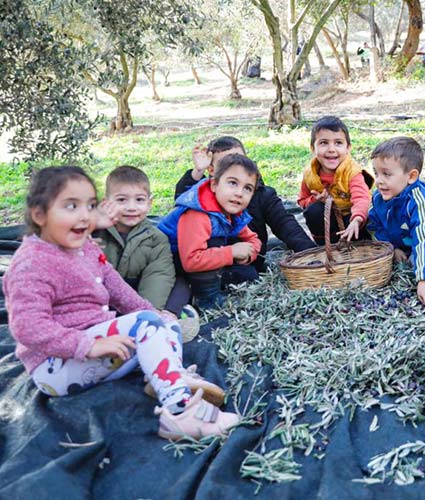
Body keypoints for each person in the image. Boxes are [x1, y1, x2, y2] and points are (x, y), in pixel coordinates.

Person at [3, 166, 238, 440]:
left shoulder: (85, 247)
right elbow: (28, 328)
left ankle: (167, 377)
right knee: (147, 325)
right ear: (39, 215)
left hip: (100, 350)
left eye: (90, 206)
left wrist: (156, 315)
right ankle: (180, 413)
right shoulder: (31, 263)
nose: (84, 215)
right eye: (71, 206)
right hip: (57, 367)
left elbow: (119, 290)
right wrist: (87, 345)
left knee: (162, 322)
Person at [175, 136, 315, 272]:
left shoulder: (262, 194)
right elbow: (184, 202)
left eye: (241, 160)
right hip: (208, 264)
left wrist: (310, 254)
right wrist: (197, 172)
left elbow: (285, 224)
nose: (237, 167)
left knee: (247, 275)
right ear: (212, 171)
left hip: (249, 260)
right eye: (227, 163)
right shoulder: (202, 198)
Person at [93, 166, 201, 341]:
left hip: (136, 291)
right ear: (106, 203)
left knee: (181, 282)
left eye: (139, 200)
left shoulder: (156, 239)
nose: (131, 207)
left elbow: (158, 275)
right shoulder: (94, 230)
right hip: (100, 292)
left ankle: (167, 316)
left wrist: (146, 313)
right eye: (121, 200)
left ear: (150, 203)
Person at [159, 155, 262, 310]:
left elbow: (253, 238)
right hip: (168, 260)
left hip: (198, 258)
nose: (239, 193)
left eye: (247, 188)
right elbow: (192, 260)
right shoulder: (198, 213)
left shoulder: (232, 210)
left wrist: (248, 254)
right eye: (233, 183)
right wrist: (232, 252)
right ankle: (206, 300)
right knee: (215, 243)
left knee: (248, 275)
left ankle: (210, 284)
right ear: (214, 184)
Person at [367, 136, 425, 308]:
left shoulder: (420, 201)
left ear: (411, 176)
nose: (379, 180)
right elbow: (376, 225)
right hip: (404, 242)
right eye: (376, 173)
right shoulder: (379, 199)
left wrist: (424, 280)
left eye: (386, 174)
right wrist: (391, 248)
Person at [297, 116, 374, 245]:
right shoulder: (310, 174)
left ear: (348, 148)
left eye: (338, 143)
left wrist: (357, 220)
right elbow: (302, 201)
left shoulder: (352, 172)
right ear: (312, 148)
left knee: (365, 217)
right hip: (329, 223)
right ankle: (326, 247)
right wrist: (315, 199)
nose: (331, 149)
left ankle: (359, 244)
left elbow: (362, 198)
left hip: (353, 220)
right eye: (324, 143)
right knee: (313, 211)